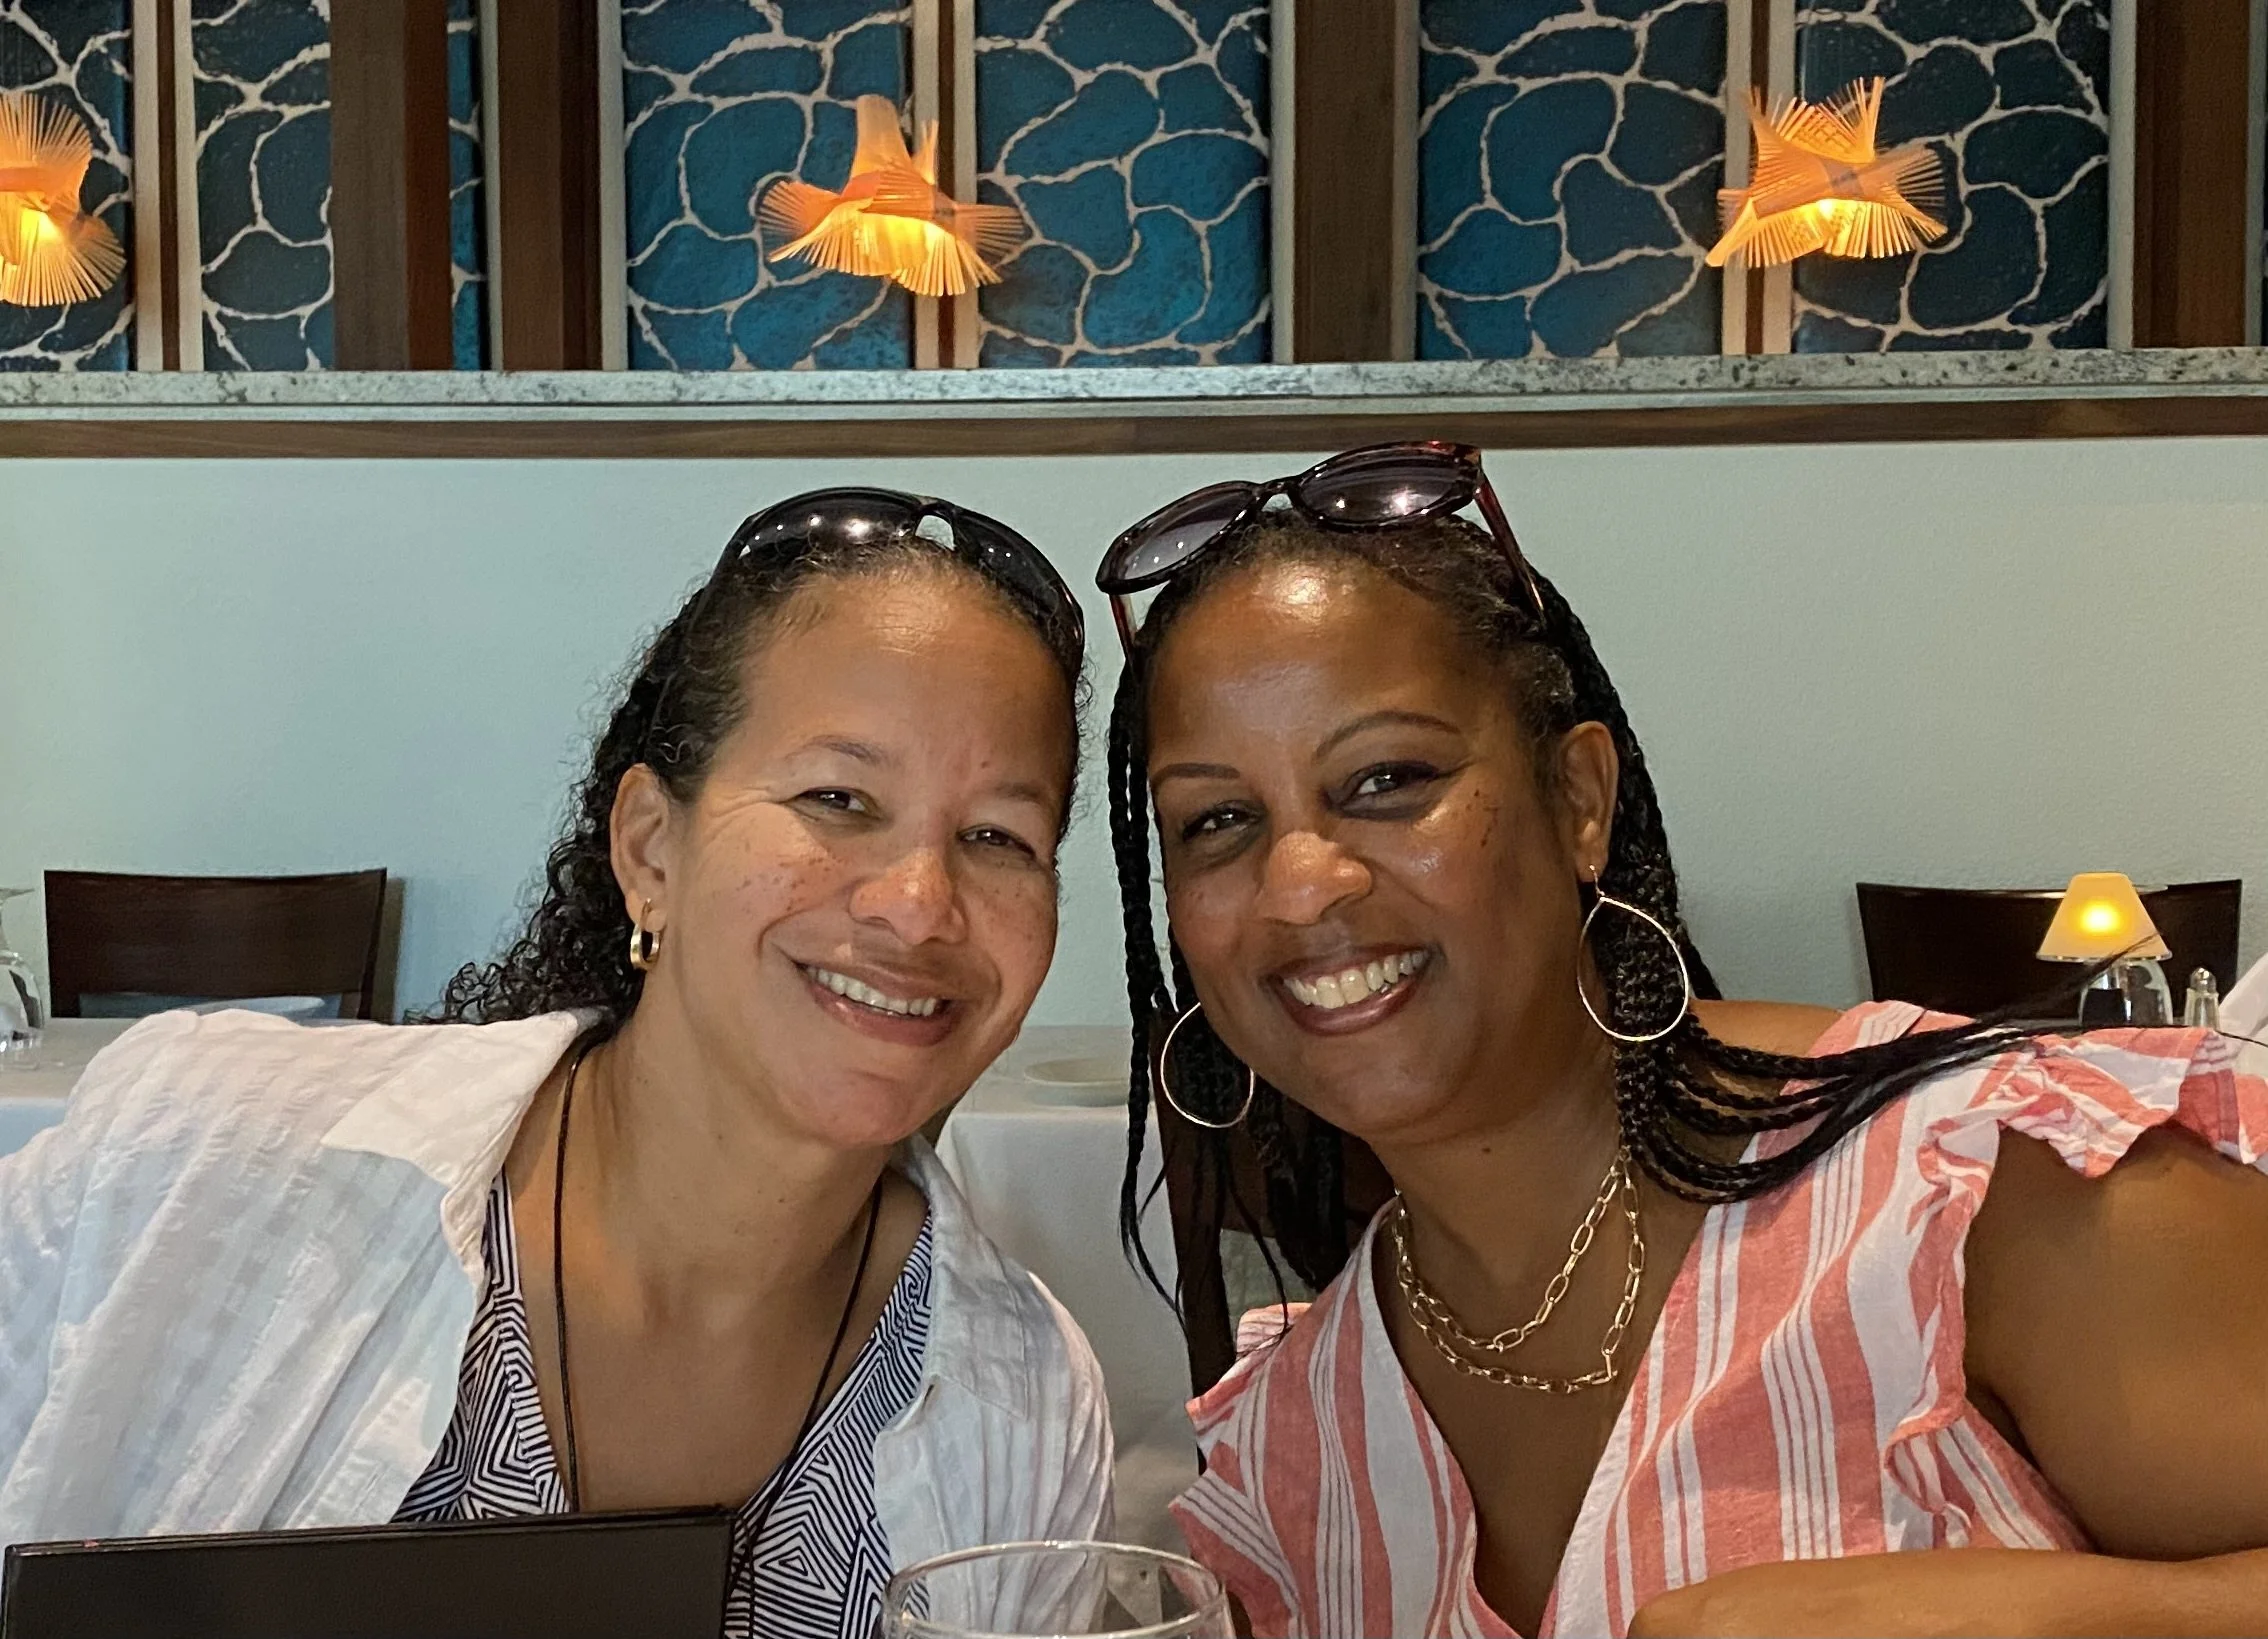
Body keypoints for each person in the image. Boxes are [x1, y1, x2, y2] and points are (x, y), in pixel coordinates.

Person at [1097, 443, 2268, 1637]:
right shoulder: (1305, 1442)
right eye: (1219, 820)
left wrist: (2051, 1621)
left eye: (1388, 777)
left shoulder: (1978, 1189)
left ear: (1580, 800)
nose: (1299, 885)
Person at [0, 489, 1112, 1639]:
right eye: (840, 798)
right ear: (650, 849)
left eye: (997, 837)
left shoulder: (1024, 1403)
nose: (920, 906)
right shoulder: (201, 1160)